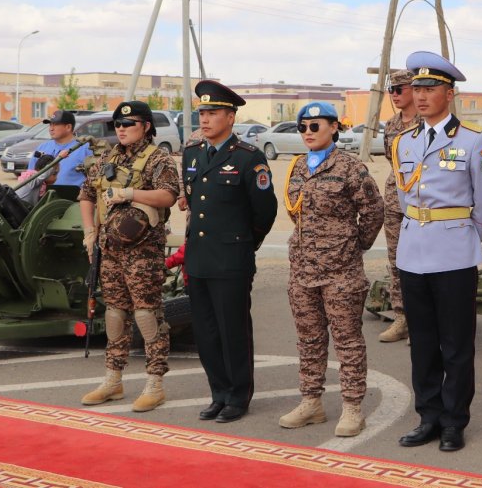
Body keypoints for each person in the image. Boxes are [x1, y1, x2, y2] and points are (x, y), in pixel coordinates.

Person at [393, 51, 482, 453]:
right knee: (422, 342)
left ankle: (454, 421)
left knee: (455, 344)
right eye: (416, 88)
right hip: (412, 252)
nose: (420, 96)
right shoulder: (406, 141)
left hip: (454, 253)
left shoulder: (475, 141)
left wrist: (467, 235)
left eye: (430, 88)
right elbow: (406, 197)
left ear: (449, 94)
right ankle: (428, 417)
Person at [278, 101, 384, 438]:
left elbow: (373, 212)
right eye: (302, 127)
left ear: (334, 127)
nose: (308, 132)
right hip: (303, 270)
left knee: (347, 341)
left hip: (341, 272)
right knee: (309, 340)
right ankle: (312, 402)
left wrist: (353, 247)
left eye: (315, 126)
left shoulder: (351, 167)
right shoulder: (297, 167)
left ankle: (353, 407)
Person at [178, 80, 278, 424]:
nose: (205, 119)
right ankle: (218, 392)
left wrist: (243, 244)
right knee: (205, 333)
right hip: (200, 258)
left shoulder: (248, 157)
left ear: (231, 117)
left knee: (232, 330)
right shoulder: (192, 154)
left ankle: (238, 395)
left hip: (231, 259)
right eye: (202, 113)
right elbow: (193, 203)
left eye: (213, 113)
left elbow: (264, 211)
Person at [78, 101, 180, 413]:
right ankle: (113, 380)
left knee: (148, 316)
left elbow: (169, 195)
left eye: (129, 123)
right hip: (109, 251)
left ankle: (155, 383)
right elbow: (86, 194)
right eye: (117, 125)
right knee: (115, 315)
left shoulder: (157, 159)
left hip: (143, 253)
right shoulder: (106, 158)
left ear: (146, 126)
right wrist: (88, 232)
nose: (121, 129)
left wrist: (130, 194)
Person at [379, 68, 419, 343]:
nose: (393, 95)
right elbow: (391, 159)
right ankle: (402, 318)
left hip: (424, 200)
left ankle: (425, 322)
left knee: (425, 260)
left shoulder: (427, 121)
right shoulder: (391, 125)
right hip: (395, 200)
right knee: (397, 261)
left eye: (398, 89)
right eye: (390, 90)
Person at [30, 110, 92, 187]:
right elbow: (30, 177)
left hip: (73, 198)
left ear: (68, 127)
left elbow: (95, 178)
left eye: (55, 124)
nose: (51, 128)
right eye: (50, 125)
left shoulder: (85, 148)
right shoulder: (42, 147)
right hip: (43, 197)